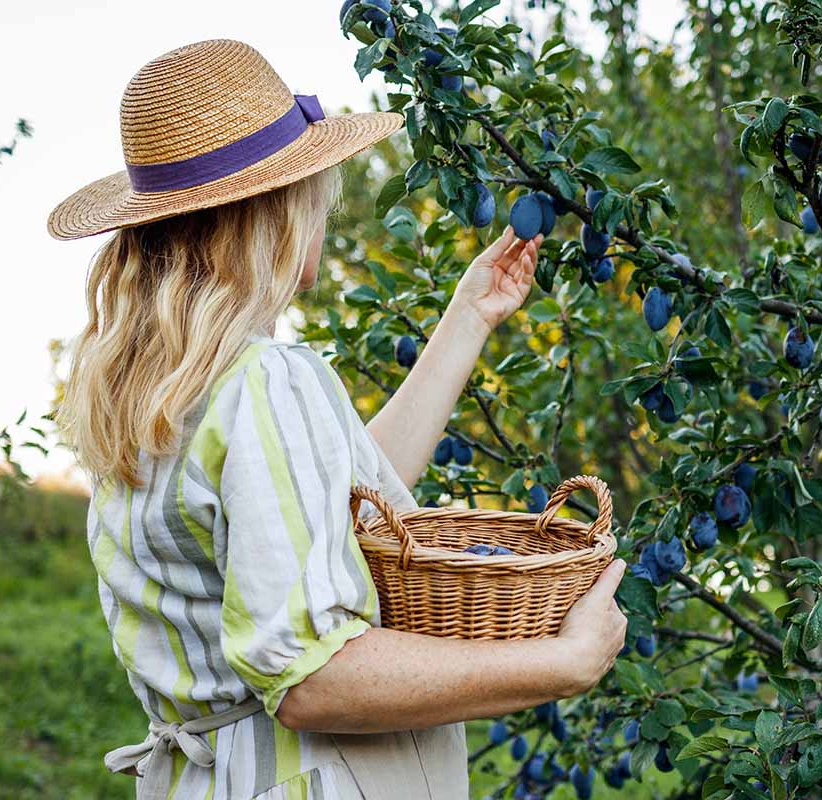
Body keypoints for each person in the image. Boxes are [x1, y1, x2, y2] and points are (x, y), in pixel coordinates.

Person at [48, 39, 626, 800]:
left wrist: (467, 317)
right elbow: (313, 680)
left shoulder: (151, 395)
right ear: (281, 209)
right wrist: (561, 664)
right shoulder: (264, 382)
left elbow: (323, 503)